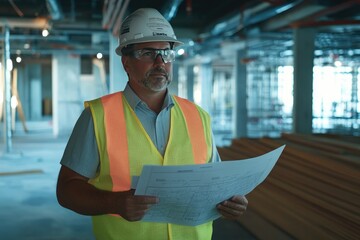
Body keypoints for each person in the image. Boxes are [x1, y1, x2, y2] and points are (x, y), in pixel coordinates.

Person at [56, 8, 248, 240]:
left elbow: (215, 185)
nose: (160, 62)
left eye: (166, 53)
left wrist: (230, 202)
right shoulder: (97, 116)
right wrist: (114, 203)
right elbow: (67, 190)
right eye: (148, 53)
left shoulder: (198, 116)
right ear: (126, 62)